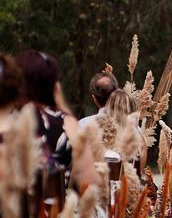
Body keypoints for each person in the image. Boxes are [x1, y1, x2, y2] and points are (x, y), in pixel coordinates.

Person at [15, 49, 98, 188]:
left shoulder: (6, 118)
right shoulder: (65, 123)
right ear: (54, 86)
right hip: (53, 208)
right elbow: (91, 183)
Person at [101, 89, 147, 174]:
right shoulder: (139, 139)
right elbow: (138, 172)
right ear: (133, 110)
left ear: (109, 107)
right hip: (129, 185)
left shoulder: (98, 133)